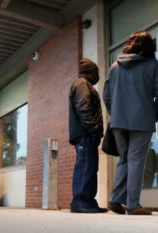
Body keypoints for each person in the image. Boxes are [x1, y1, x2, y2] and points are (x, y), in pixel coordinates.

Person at [103, 31, 158, 215]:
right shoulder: (153, 65)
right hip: (141, 120)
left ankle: (116, 199)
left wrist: (115, 113)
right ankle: (132, 204)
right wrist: (153, 115)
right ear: (149, 47)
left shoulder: (114, 66)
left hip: (118, 121)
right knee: (136, 160)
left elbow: (106, 96)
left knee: (124, 159)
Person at [69, 58, 107, 214]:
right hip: (85, 134)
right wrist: (93, 130)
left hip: (87, 133)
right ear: (90, 71)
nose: (98, 74)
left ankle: (89, 202)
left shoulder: (84, 84)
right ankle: (80, 202)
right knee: (85, 167)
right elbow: (83, 109)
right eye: (96, 71)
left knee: (90, 168)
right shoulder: (82, 84)